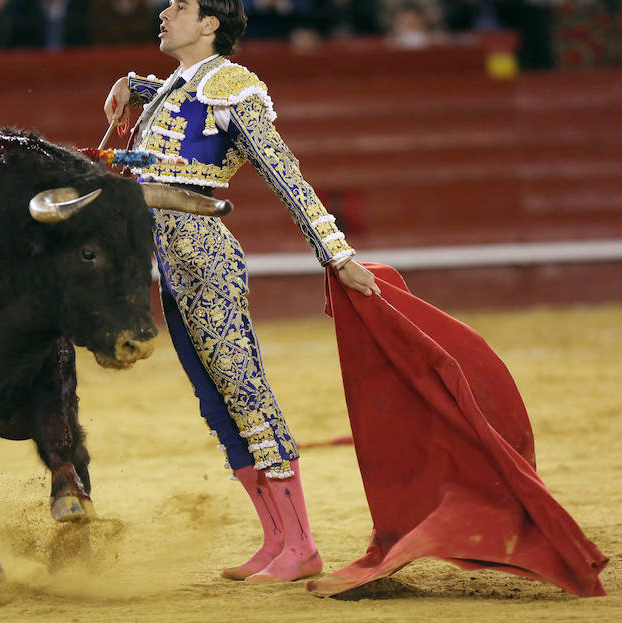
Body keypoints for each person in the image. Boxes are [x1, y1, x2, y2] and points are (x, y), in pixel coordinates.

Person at [103, 0, 379, 583]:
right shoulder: (184, 83)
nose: (164, 11)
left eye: (180, 6)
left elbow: (283, 172)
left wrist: (337, 253)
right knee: (216, 400)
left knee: (244, 392)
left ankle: (302, 544)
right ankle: (276, 538)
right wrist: (134, 84)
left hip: (203, 253)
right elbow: (176, 98)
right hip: (170, 257)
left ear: (209, 26)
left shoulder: (232, 86)